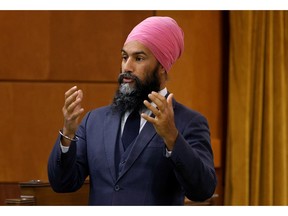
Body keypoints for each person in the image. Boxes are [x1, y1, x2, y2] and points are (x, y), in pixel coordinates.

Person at [48, 16, 217, 205]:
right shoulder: (93, 121)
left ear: (162, 66)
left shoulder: (188, 122)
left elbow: (203, 190)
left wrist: (172, 138)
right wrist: (67, 134)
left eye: (139, 58)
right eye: (124, 57)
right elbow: (62, 183)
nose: (127, 67)